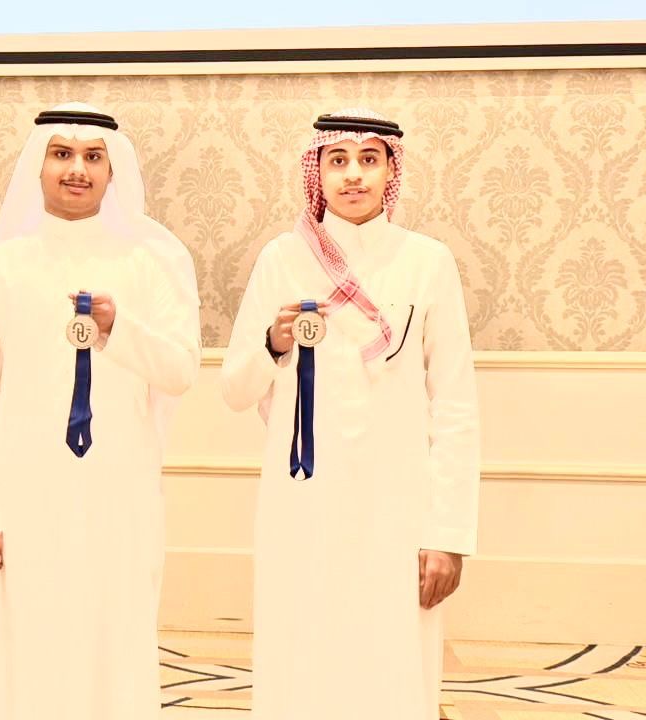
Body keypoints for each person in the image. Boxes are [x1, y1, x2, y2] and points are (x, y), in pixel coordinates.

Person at [220, 109, 480, 720]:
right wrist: (272, 344)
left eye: (369, 159)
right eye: (338, 161)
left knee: (391, 658)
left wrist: (448, 534)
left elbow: (455, 402)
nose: (354, 175)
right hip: (301, 500)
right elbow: (234, 390)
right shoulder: (281, 258)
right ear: (318, 171)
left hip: (397, 503)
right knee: (301, 647)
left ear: (391, 170)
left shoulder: (427, 261)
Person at [0, 103, 201, 720]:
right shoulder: (0, 267)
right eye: (61, 154)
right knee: (26, 635)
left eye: (93, 157)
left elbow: (180, 370)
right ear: (36, 168)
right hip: (24, 489)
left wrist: (120, 330)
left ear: (113, 172)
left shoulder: (149, 263)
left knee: (115, 630)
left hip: (121, 487)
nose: (77, 170)